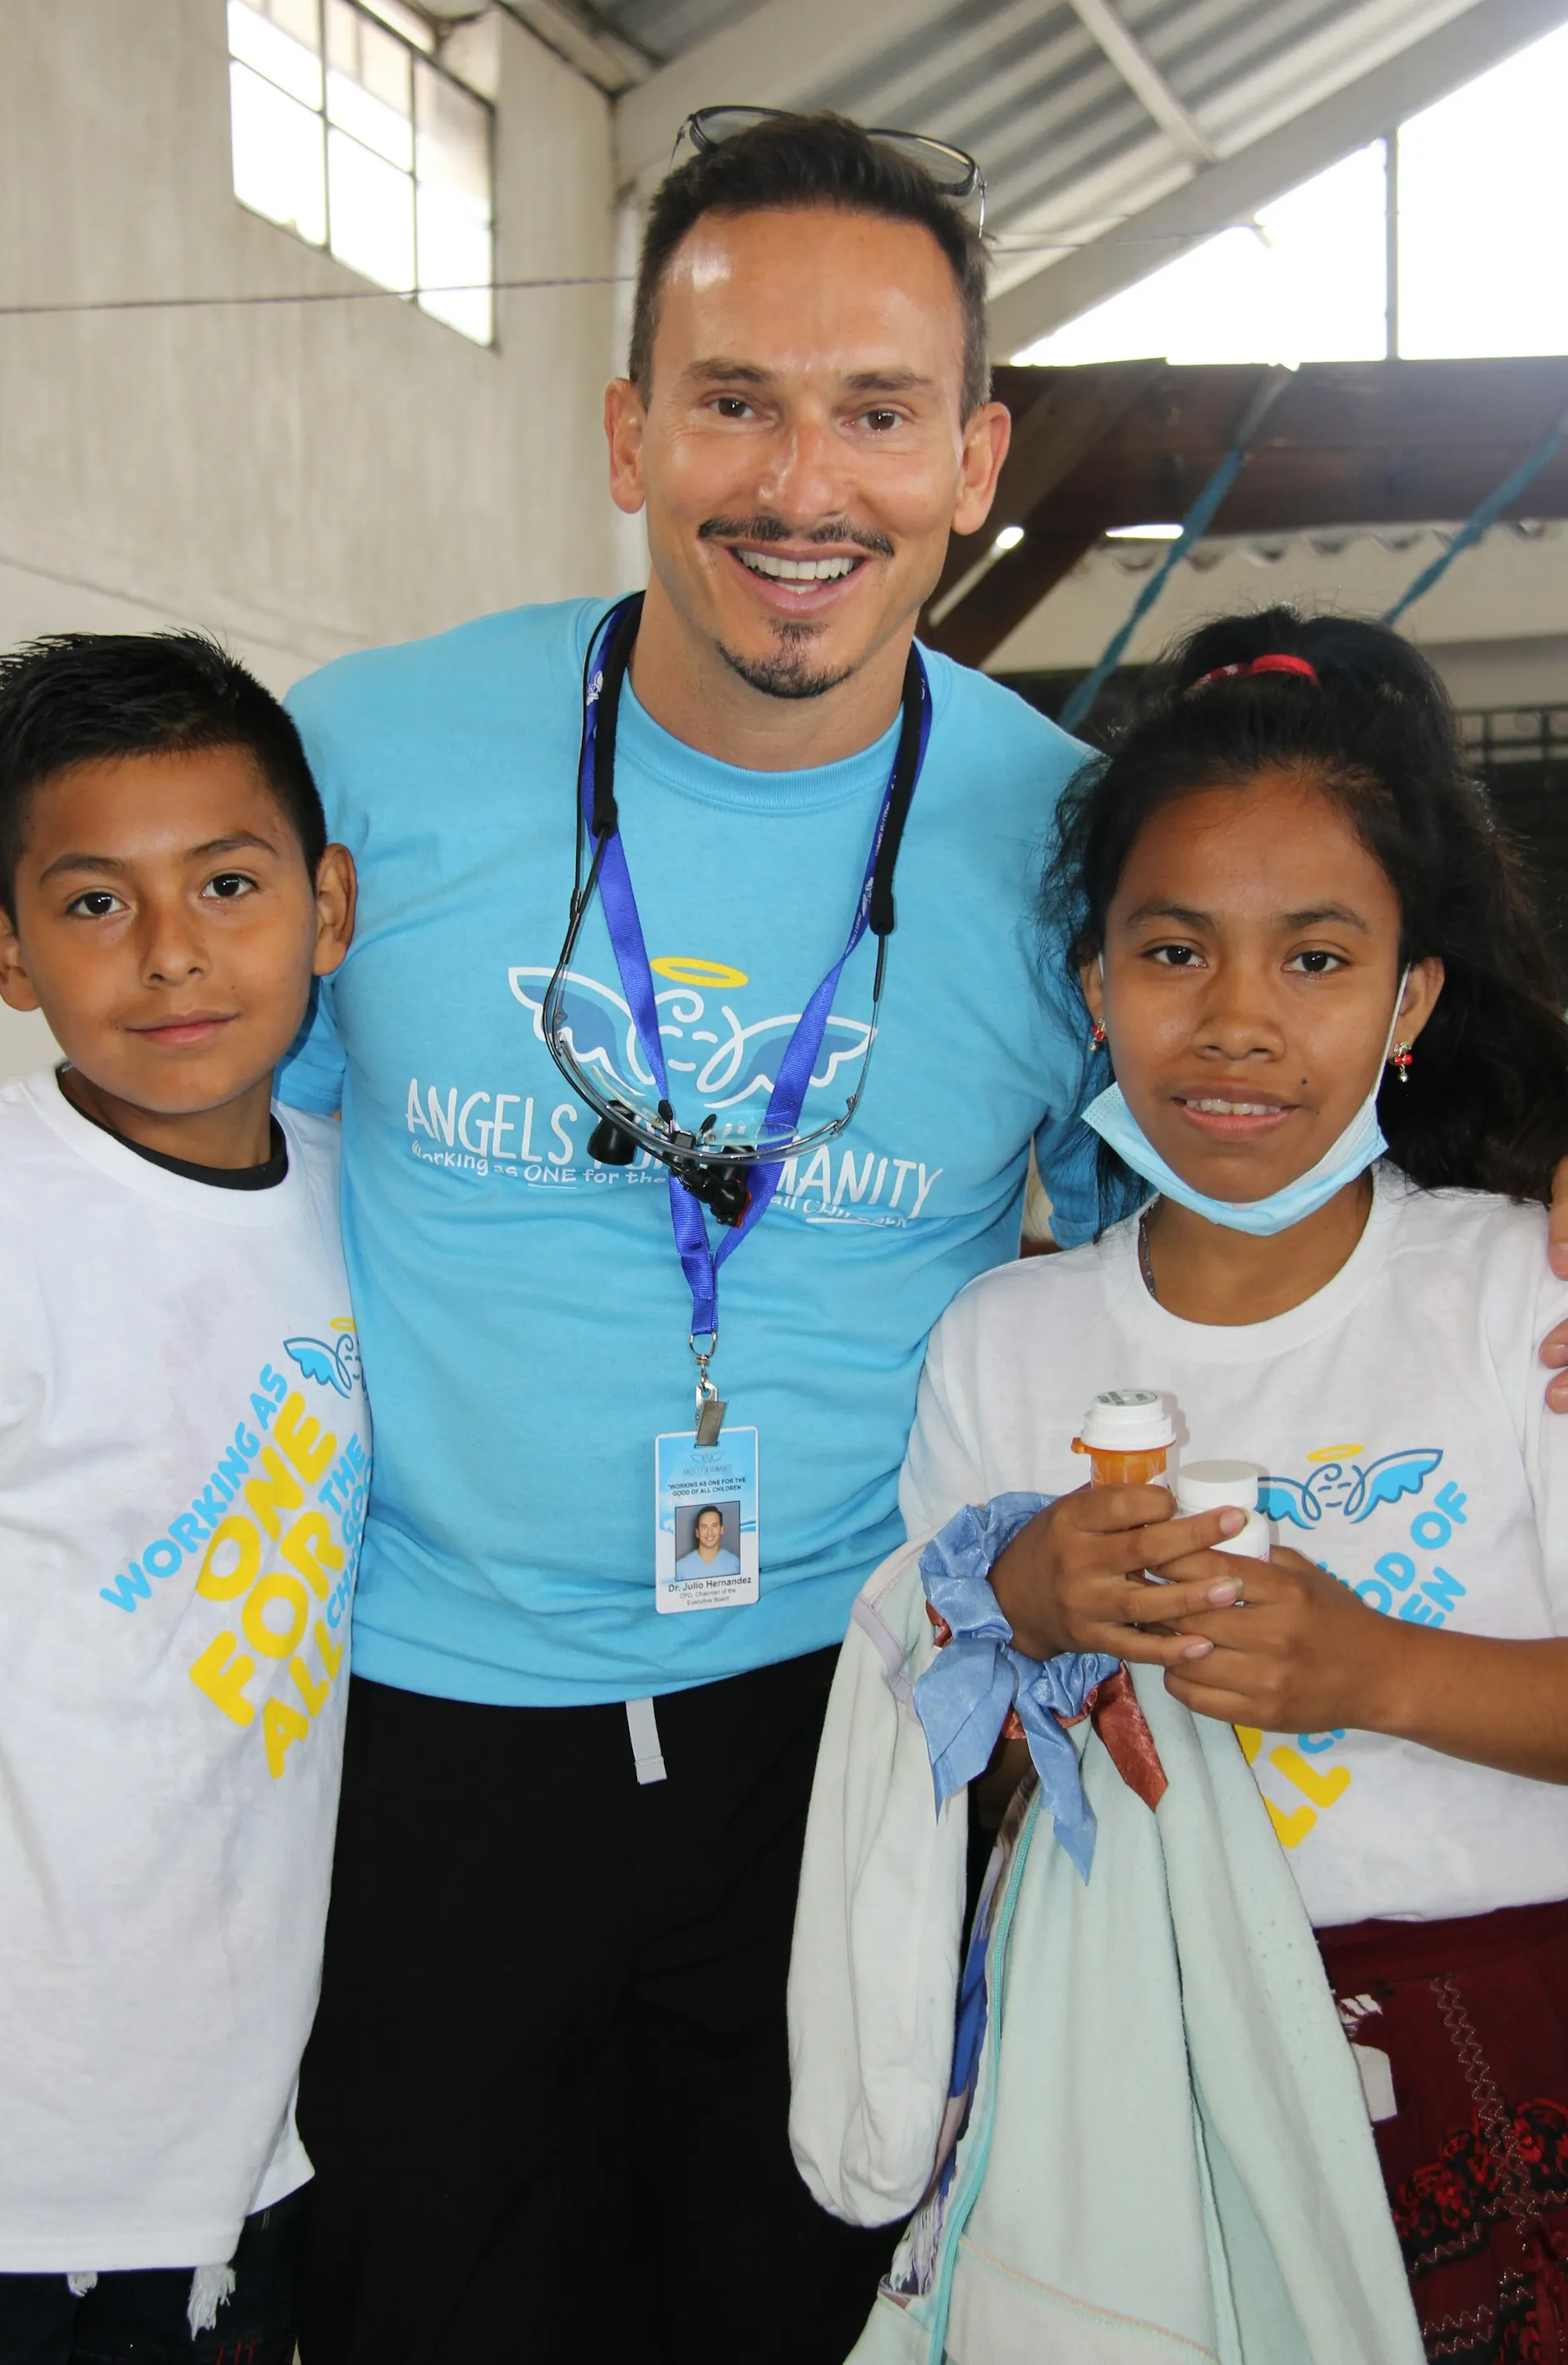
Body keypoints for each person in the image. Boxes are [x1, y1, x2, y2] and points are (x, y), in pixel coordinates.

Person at [277, 108, 1105, 2364]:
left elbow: (1218, 1202)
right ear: (630, 430)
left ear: (973, 454)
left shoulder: (1070, 847)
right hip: (421, 1731)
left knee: (808, 2316)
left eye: (876, 413)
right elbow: (173, 1157)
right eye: (734, 402)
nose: (800, 487)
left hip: (839, 1731)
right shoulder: (363, 764)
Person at [791, 610, 1568, 2363]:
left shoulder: (1519, 1294)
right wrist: (1020, 1612)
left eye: (1315, 961)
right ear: (1093, 989)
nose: (1237, 1025)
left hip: (1501, 2051)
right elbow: (939, 1752)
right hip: (1137, 2065)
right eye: (1172, 953)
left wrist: (1383, 1676)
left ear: (1411, 998)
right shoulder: (1005, 1340)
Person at [0, 633, 364, 2365]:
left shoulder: (374, 1210)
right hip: (28, 2151)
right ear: (5, 946)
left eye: (226, 881)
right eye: (91, 905)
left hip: (246, 2137)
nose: (171, 955)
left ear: (327, 906)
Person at [676, 1503, 741, 1581]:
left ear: (722, 1530)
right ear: (697, 1533)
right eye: (704, 1527)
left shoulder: (736, 1564)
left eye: (714, 1526)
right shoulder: (680, 1568)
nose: (709, 1532)